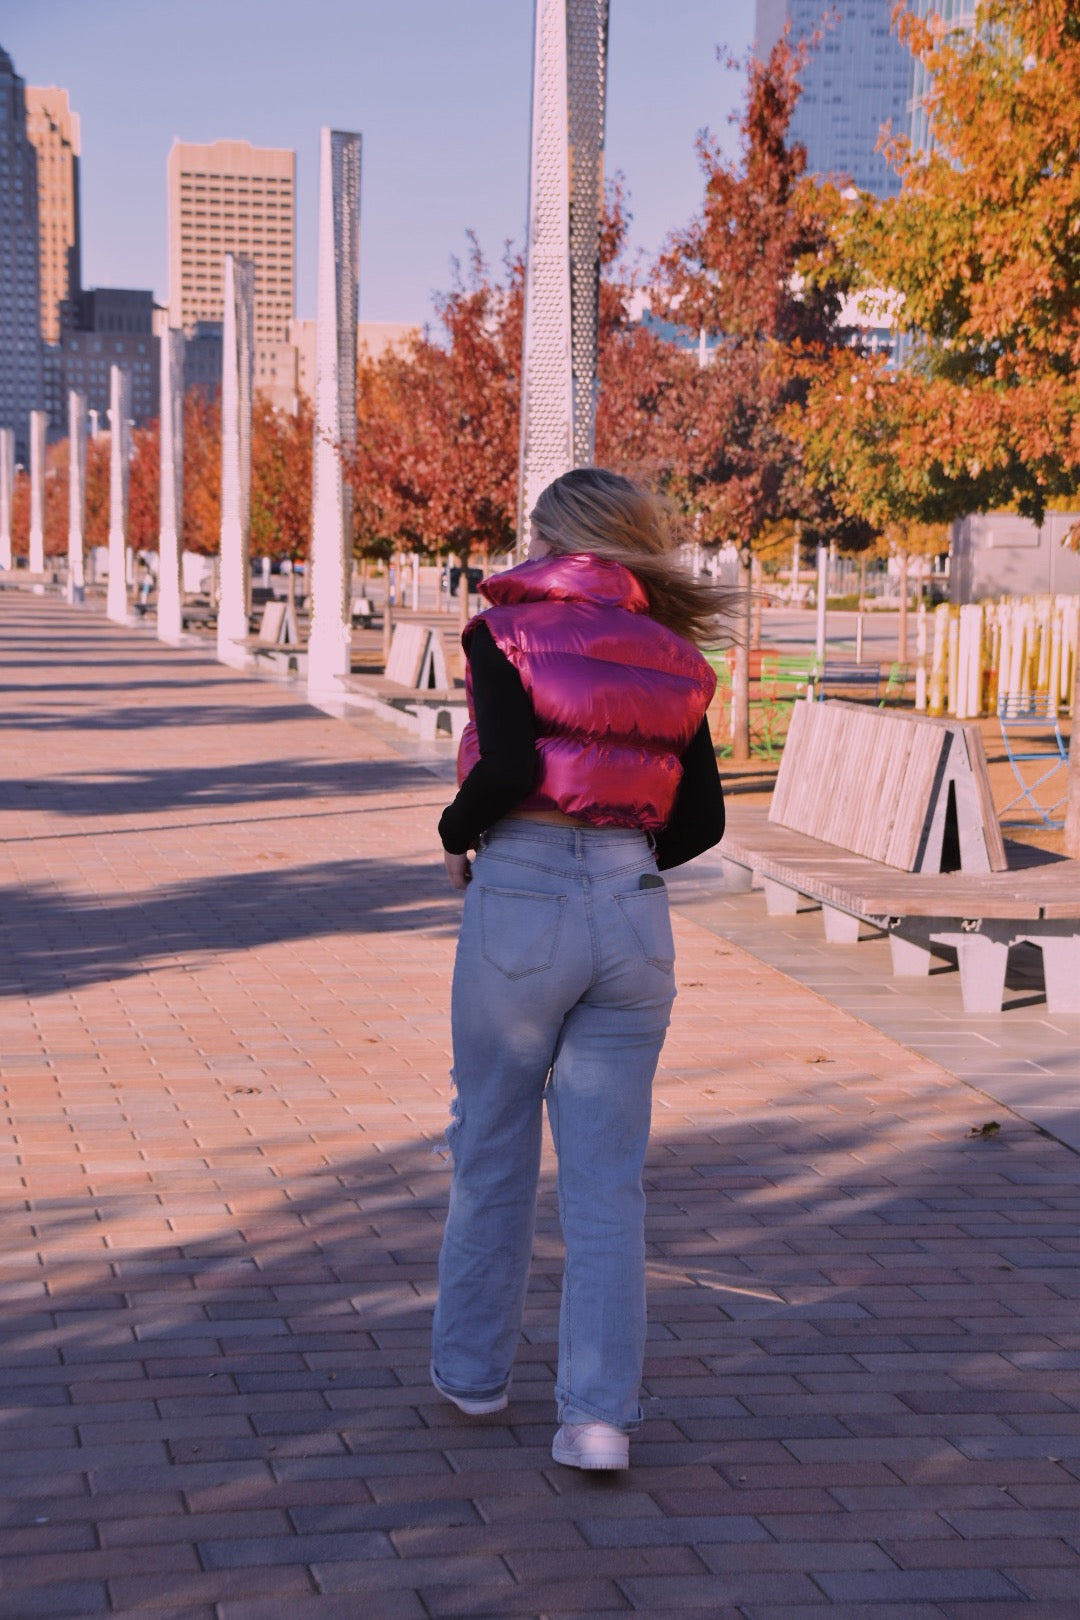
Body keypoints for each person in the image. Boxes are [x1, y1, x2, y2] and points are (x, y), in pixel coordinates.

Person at [431, 468, 735, 1471]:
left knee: (493, 1146)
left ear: (551, 539)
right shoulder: (678, 659)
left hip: (520, 895)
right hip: (635, 910)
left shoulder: (500, 634)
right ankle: (598, 1420)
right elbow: (703, 821)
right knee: (610, 1181)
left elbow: (509, 770)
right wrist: (621, 870)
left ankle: (474, 1377)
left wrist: (454, 834)